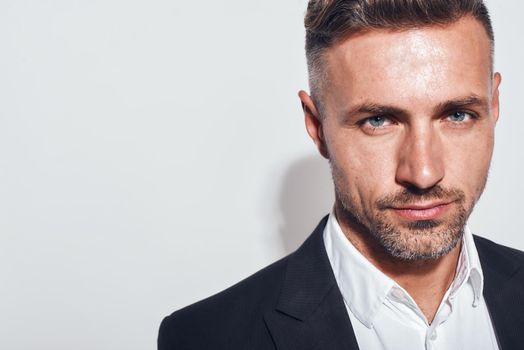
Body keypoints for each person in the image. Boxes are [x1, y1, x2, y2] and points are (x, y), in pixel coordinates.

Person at [158, 1, 524, 349]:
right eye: (378, 121)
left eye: (458, 115)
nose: (424, 173)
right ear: (317, 127)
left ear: (493, 106)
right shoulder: (206, 338)